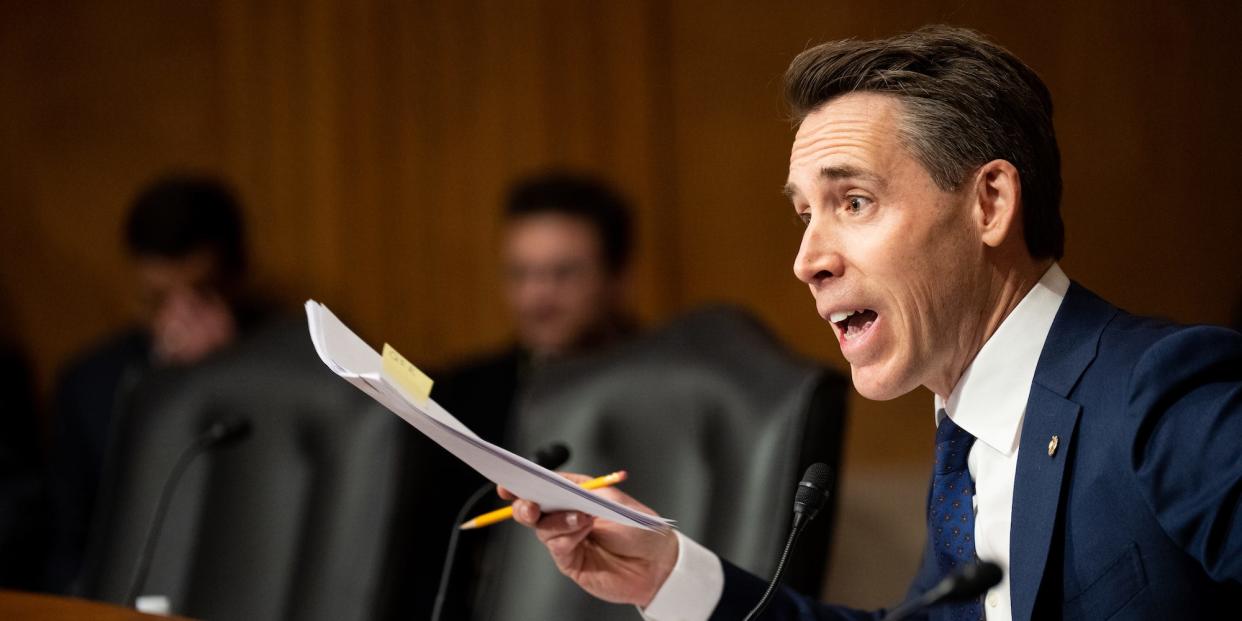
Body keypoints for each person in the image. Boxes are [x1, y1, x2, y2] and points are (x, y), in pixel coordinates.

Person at [501, 26, 1242, 620]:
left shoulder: (1161, 392)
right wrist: (667, 572)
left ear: (989, 204)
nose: (807, 259)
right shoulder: (967, 437)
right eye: (803, 214)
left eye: (853, 200)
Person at [395, 172, 638, 618]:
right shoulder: (462, 394)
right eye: (520, 274)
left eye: (562, 273)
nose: (536, 296)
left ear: (615, 276)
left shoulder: (667, 389)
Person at [45, 175, 267, 593]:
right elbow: (66, 546)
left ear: (237, 277)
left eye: (202, 294)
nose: (177, 320)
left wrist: (233, 371)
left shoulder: (291, 372)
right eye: (157, 299)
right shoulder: (88, 383)